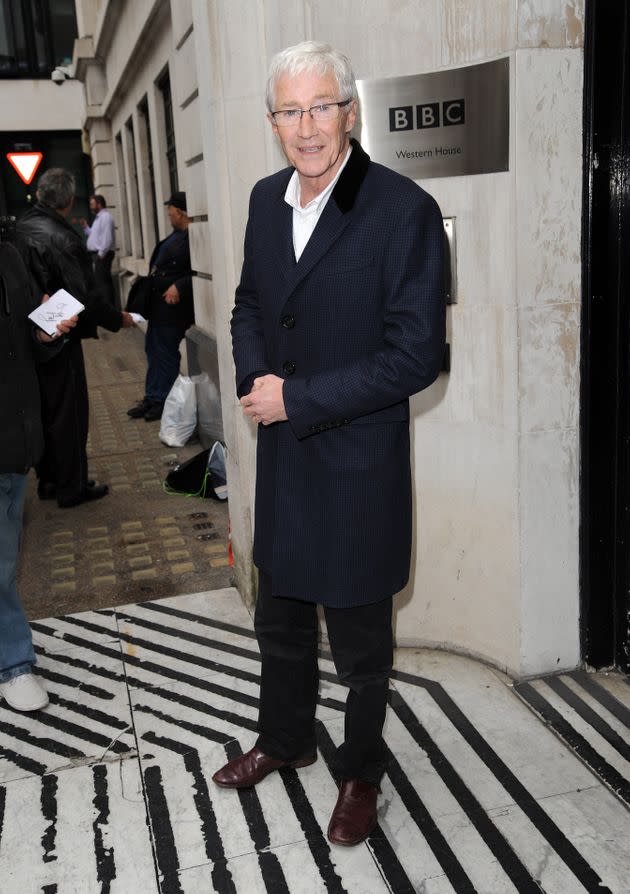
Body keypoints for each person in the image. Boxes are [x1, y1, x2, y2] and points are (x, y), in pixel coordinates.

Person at [213, 42, 445, 846]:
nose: (306, 127)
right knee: (277, 621)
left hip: (353, 465)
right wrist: (254, 379)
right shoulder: (262, 199)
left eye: (320, 107)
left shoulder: (400, 209)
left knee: (361, 647)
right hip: (284, 459)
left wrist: (295, 397)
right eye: (289, 111)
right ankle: (282, 740)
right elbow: (247, 303)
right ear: (272, 121)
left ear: (349, 111)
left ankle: (360, 772)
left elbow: (417, 355)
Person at [17, 168, 135, 508]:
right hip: (60, 338)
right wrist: (118, 318)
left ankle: (50, 481)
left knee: (45, 411)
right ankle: (72, 487)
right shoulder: (64, 237)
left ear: (40, 194)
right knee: (69, 415)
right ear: (69, 201)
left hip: (31, 336)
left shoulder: (21, 228)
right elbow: (86, 294)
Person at [0, 238, 76, 711]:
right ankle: (13, 661)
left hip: (17, 440)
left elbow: (25, 344)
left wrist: (45, 334)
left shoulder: (9, 253)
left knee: (6, 556)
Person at [126, 192, 194, 422]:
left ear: (181, 212)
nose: (169, 216)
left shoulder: (191, 236)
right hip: (158, 306)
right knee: (153, 351)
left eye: (171, 212)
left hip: (174, 310)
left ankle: (163, 400)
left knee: (165, 354)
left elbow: (199, 272)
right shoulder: (175, 236)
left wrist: (180, 286)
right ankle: (152, 397)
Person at [80, 194, 116, 308]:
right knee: (101, 281)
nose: (90, 206)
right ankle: (108, 308)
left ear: (99, 204)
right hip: (99, 254)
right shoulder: (99, 218)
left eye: (92, 204)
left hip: (103, 254)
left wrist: (100, 254)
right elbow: (95, 236)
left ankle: (109, 308)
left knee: (103, 282)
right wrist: (86, 227)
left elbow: (107, 238)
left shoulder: (105, 217)